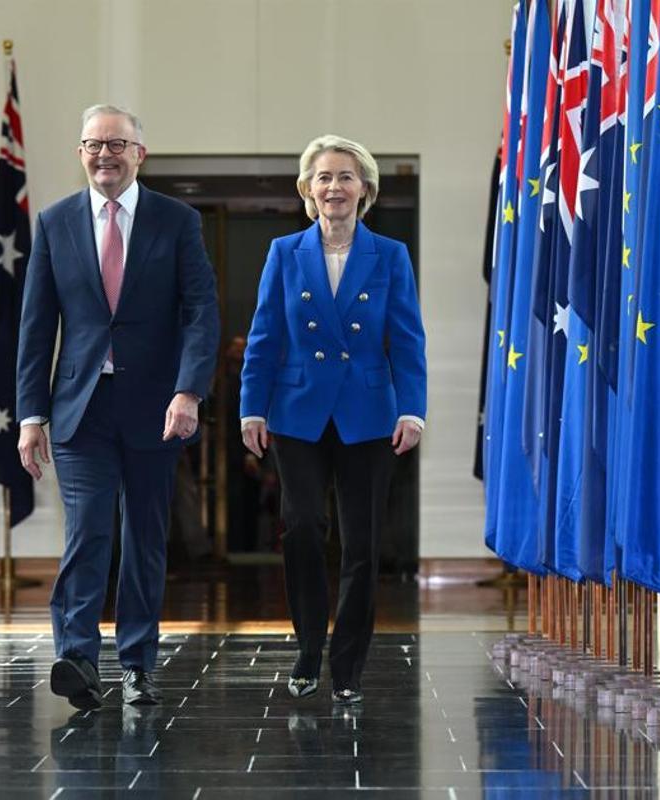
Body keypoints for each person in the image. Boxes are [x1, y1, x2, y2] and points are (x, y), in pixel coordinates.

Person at [15, 105, 220, 710]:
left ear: (140, 153)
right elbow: (35, 327)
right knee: (87, 533)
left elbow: (200, 312)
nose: (105, 154)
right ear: (80, 152)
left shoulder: (176, 221)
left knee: (145, 539)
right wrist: (31, 416)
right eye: (93, 143)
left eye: (117, 144)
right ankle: (77, 658)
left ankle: (137, 664)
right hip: (80, 409)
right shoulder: (55, 224)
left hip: (158, 409)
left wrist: (189, 391)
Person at [239, 134, 427, 704]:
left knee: (363, 543)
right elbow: (265, 334)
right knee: (300, 530)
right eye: (323, 177)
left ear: (364, 189)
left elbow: (407, 338)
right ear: (307, 189)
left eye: (346, 177)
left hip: (369, 415)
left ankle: (347, 663)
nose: (334, 187)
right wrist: (252, 404)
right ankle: (307, 650)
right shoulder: (283, 251)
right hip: (297, 414)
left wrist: (412, 408)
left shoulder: (389, 255)